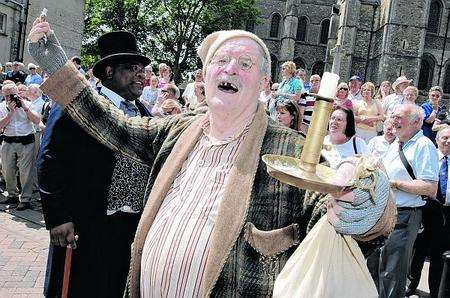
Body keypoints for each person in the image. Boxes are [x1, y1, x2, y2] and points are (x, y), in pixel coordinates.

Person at [29, 21, 392, 297]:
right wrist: (61, 71)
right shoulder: (177, 129)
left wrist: (368, 204)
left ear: (265, 84)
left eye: (245, 63)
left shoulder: (290, 151)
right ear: (205, 77)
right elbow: (114, 125)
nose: (231, 69)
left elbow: (338, 215)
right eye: (222, 60)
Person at [33, 30, 153, 298]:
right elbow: (50, 159)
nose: (141, 74)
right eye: (132, 68)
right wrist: (58, 216)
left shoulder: (145, 114)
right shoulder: (75, 106)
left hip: (127, 229)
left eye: (143, 68)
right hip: (85, 224)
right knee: (78, 288)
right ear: (109, 71)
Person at [369, 104, 439, 298]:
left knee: (392, 273)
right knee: (375, 267)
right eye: (393, 117)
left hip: (405, 216)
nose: (394, 121)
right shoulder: (397, 144)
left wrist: (396, 183)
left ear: (416, 122)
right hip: (384, 214)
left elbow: (430, 187)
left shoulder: (423, 145)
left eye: (400, 117)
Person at [0, 83, 41, 210]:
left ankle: (25, 199)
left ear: (17, 93)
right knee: (7, 170)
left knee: (26, 173)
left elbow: (36, 120)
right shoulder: (1, 107)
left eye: (11, 95)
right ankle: (12, 195)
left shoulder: (28, 104)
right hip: (8, 141)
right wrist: (10, 113)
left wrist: (25, 108)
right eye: (6, 96)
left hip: (26, 142)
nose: (9, 99)